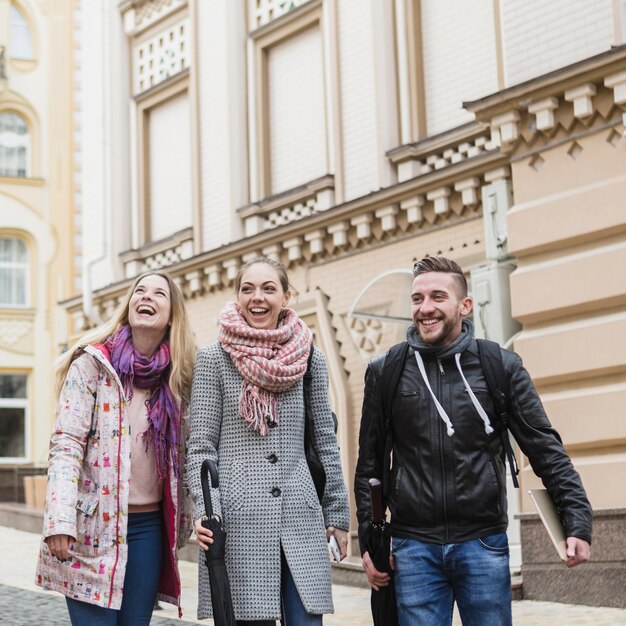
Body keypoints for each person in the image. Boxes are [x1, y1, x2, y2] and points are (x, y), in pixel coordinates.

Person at [354, 256, 592, 626]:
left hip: (482, 543)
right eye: (417, 299)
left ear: (464, 306)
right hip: (412, 546)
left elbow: (545, 448)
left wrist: (576, 520)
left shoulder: (500, 366)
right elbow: (369, 464)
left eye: (437, 296)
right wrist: (370, 545)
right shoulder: (386, 371)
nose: (425, 308)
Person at [187, 256, 350, 626]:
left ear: (287, 297)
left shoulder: (310, 359)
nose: (257, 297)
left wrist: (338, 514)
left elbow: (325, 440)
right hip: (237, 523)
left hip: (301, 519)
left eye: (268, 288)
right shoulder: (214, 359)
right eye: (247, 289)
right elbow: (200, 447)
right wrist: (204, 511)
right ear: (237, 297)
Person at [35, 270, 196, 625]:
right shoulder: (93, 365)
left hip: (148, 531)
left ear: (172, 314)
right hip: (91, 529)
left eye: (159, 294)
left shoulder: (180, 377)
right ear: (128, 305)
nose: (147, 297)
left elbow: (195, 451)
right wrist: (60, 520)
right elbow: (66, 444)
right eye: (140, 291)